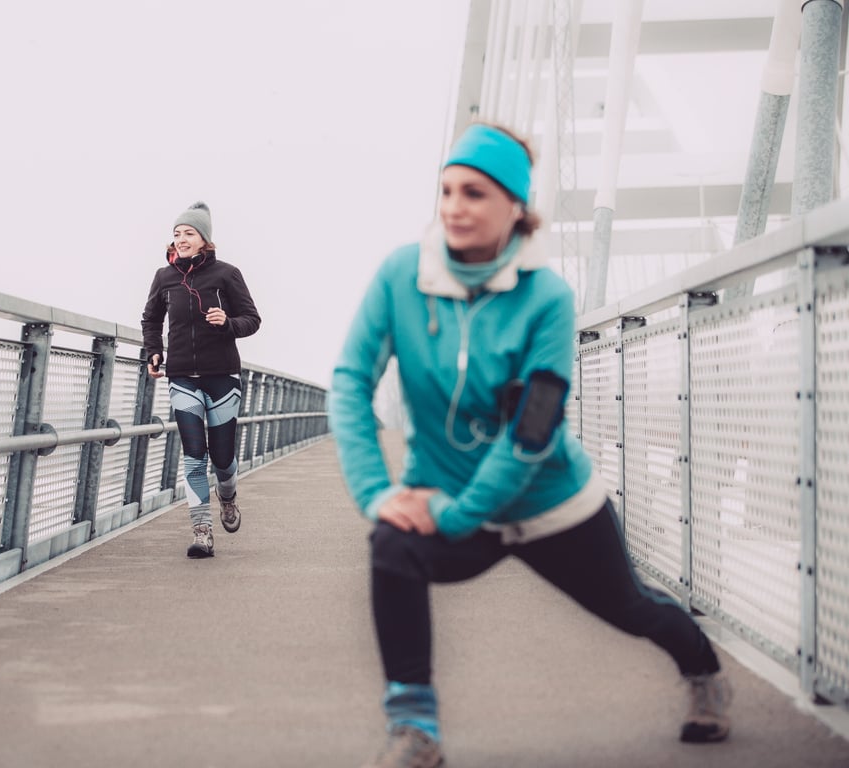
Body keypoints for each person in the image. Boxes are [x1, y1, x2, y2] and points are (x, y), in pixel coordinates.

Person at [328, 123, 733, 768]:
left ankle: (703, 671)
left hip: (552, 505)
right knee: (392, 545)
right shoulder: (401, 276)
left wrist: (458, 517)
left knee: (630, 607)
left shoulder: (546, 297)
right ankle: (414, 729)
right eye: (447, 190)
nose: (455, 207)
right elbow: (350, 383)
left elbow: (533, 429)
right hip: (447, 493)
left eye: (476, 193)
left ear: (516, 206)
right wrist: (377, 494)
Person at [141, 201, 261, 558]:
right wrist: (153, 350)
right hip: (182, 378)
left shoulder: (226, 275)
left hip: (222, 377)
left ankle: (227, 495)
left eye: (188, 233)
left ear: (204, 240)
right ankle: (202, 530)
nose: (180, 239)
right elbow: (151, 319)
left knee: (222, 459)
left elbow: (252, 319)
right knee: (194, 455)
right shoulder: (164, 278)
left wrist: (228, 323)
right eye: (176, 234)